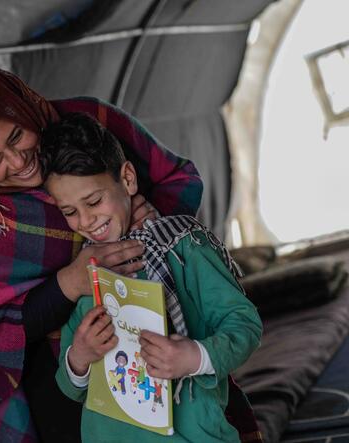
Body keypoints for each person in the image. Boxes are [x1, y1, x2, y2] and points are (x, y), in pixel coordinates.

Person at [0, 63, 260, 443]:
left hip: (161, 333)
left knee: (189, 418)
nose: (17, 161)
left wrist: (148, 223)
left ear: (21, 107)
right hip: (60, 367)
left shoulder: (91, 123)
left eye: (16, 136)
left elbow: (176, 178)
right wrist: (69, 283)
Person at [38, 112, 262, 442]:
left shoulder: (184, 246)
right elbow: (70, 387)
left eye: (94, 201)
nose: (85, 220)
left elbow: (245, 325)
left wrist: (194, 357)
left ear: (127, 179)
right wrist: (79, 357)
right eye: (70, 212)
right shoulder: (90, 271)